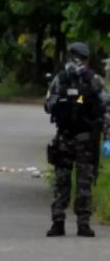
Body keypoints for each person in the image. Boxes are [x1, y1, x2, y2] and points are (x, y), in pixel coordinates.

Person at [45, 42, 110, 238]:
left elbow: (48, 105)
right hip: (85, 139)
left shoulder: (60, 78)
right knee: (83, 182)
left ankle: (58, 222)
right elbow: (107, 107)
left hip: (66, 137)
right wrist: (107, 134)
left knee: (62, 181)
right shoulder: (94, 80)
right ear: (87, 58)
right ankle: (83, 224)